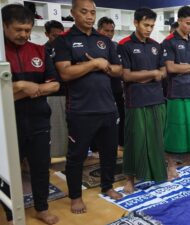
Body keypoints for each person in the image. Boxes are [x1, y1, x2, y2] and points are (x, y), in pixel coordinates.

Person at [53, 0, 123, 214]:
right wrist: (94, 64)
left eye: (92, 12)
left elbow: (118, 69)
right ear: (73, 13)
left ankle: (107, 186)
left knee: (109, 152)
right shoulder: (64, 41)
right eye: (84, 12)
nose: (89, 16)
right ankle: (75, 197)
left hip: (107, 107)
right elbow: (65, 73)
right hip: (80, 110)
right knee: (76, 156)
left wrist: (106, 66)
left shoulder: (104, 40)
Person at [1, 4, 60, 224]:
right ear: (4, 26)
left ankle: (41, 208)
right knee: (9, 173)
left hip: (38, 121)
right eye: (18, 29)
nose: (24, 34)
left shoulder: (39, 51)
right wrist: (23, 85)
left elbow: (55, 85)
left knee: (40, 167)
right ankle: (10, 214)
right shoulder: (1, 53)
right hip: (7, 124)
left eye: (27, 30)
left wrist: (22, 90)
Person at [117, 7, 167, 193]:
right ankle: (130, 178)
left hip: (156, 98)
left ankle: (157, 174)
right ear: (136, 22)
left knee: (156, 140)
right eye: (146, 25)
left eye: (152, 26)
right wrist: (151, 74)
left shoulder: (156, 45)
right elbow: (126, 76)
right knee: (135, 140)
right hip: (135, 100)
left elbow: (162, 72)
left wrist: (148, 75)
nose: (149, 29)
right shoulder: (124, 45)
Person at [162, 5, 190, 180]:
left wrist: (187, 68)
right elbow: (171, 68)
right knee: (175, 129)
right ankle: (171, 165)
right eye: (188, 23)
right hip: (176, 92)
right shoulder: (169, 42)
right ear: (179, 20)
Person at [97, 16, 125, 152]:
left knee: (119, 117)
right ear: (98, 29)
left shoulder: (116, 46)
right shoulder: (93, 45)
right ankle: (96, 148)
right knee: (99, 121)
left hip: (115, 88)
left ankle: (120, 143)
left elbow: (120, 69)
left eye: (111, 31)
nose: (109, 34)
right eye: (106, 30)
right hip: (98, 90)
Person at [44, 20, 68, 158]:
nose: (58, 38)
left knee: (70, 127)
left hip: (71, 92)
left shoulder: (66, 47)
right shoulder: (44, 51)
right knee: (57, 128)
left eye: (61, 35)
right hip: (54, 93)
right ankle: (57, 156)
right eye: (54, 35)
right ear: (47, 34)